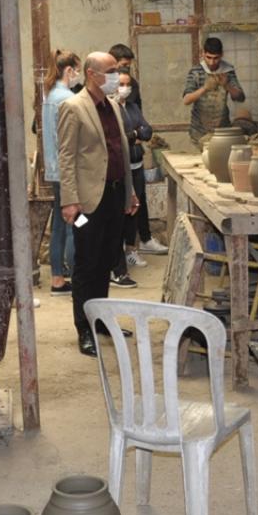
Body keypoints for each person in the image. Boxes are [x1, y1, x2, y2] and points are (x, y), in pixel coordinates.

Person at [58, 51, 139, 357]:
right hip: (86, 203)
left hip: (115, 196)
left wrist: (130, 192)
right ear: (92, 74)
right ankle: (84, 327)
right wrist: (70, 201)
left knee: (107, 259)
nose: (117, 76)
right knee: (87, 263)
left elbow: (120, 151)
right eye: (111, 70)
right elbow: (66, 156)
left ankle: (102, 319)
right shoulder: (73, 107)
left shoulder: (113, 106)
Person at [109, 68, 156, 290]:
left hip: (135, 167)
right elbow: (120, 139)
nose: (125, 88)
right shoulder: (111, 108)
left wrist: (136, 134)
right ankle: (116, 269)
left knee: (133, 210)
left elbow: (148, 131)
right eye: (121, 84)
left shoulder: (133, 107)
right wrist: (134, 134)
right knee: (117, 216)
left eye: (128, 84)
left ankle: (130, 251)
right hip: (119, 169)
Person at [41, 49, 79, 296]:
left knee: (58, 224)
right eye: (77, 70)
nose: (78, 75)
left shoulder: (50, 96)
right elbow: (68, 141)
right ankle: (78, 275)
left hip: (54, 171)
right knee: (74, 223)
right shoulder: (67, 98)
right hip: (67, 172)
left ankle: (57, 279)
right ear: (69, 70)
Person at [182, 37, 246, 145]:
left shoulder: (227, 71)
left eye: (216, 58)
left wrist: (226, 85)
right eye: (209, 57)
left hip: (223, 130)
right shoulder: (195, 71)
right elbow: (186, 100)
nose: (212, 62)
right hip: (199, 131)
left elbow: (240, 98)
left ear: (221, 55)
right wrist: (205, 88)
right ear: (203, 53)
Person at [108, 43, 141, 109]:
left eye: (129, 65)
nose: (127, 68)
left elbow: (136, 109)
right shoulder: (101, 82)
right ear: (113, 62)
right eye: (124, 65)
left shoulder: (133, 83)